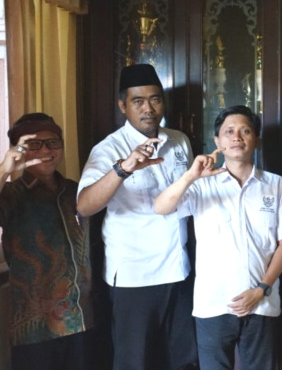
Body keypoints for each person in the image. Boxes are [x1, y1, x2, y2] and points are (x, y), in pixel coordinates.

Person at [153, 105, 282, 370]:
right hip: (213, 304)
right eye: (229, 132)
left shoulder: (276, 185)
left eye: (245, 131)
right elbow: (160, 207)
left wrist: (262, 289)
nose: (237, 137)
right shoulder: (201, 184)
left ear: (256, 140)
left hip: (261, 303)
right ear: (217, 141)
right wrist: (190, 176)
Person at [76, 64, 197, 369]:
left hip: (178, 269)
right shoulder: (109, 148)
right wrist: (123, 168)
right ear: (123, 106)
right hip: (134, 275)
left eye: (155, 99)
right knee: (135, 362)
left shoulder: (179, 140)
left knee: (183, 360)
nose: (148, 109)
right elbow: (84, 206)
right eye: (138, 101)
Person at [0, 113, 94, 369]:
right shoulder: (11, 195)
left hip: (81, 319)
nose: (45, 150)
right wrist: (5, 169)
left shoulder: (76, 191)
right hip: (33, 328)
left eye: (53, 142)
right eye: (34, 144)